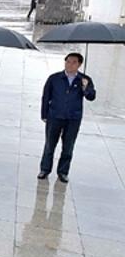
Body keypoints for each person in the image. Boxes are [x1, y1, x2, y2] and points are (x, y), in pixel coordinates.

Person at [38, 53, 96, 183]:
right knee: (49, 144)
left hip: (73, 118)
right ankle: (45, 169)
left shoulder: (84, 79)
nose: (70, 65)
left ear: (79, 64)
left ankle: (63, 172)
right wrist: (44, 114)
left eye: (73, 62)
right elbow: (46, 96)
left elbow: (91, 97)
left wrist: (86, 87)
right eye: (68, 61)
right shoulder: (55, 78)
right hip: (55, 116)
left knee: (68, 146)